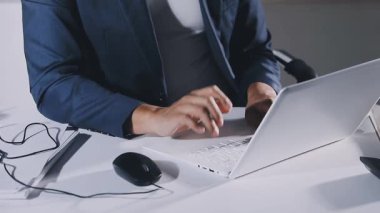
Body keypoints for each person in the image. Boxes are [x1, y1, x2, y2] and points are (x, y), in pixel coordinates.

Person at [22, 0, 281, 139]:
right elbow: (52, 82)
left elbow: (254, 49)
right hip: (131, 139)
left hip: (231, 130)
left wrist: (260, 89)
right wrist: (154, 115)